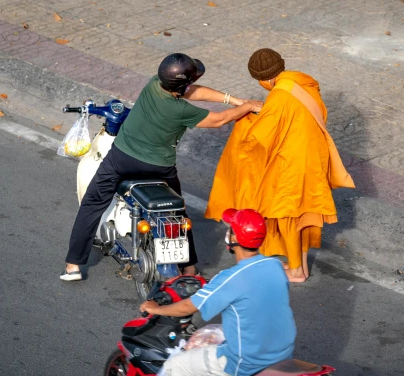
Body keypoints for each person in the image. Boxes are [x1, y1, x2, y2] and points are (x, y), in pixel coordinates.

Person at [62, 53, 263, 281]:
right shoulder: (183, 111)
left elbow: (193, 91)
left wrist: (236, 101)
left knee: (92, 204)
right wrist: (246, 106)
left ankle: (73, 265)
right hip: (159, 168)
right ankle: (189, 268)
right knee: (177, 213)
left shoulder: (153, 85)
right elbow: (218, 119)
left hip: (121, 159)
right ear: (182, 85)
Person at [205, 48, 355, 283]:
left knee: (287, 217)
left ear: (264, 79)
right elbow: (291, 117)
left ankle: (295, 271)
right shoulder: (301, 83)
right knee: (303, 215)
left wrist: (247, 122)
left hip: (292, 166)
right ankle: (301, 266)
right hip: (312, 157)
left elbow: (261, 139)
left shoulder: (277, 98)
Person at [139, 208, 296, 376]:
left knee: (176, 368)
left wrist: (156, 309)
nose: (227, 233)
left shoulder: (230, 278)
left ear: (235, 239)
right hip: (283, 350)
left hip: (248, 359)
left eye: (230, 230)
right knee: (211, 335)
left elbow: (188, 307)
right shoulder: (276, 266)